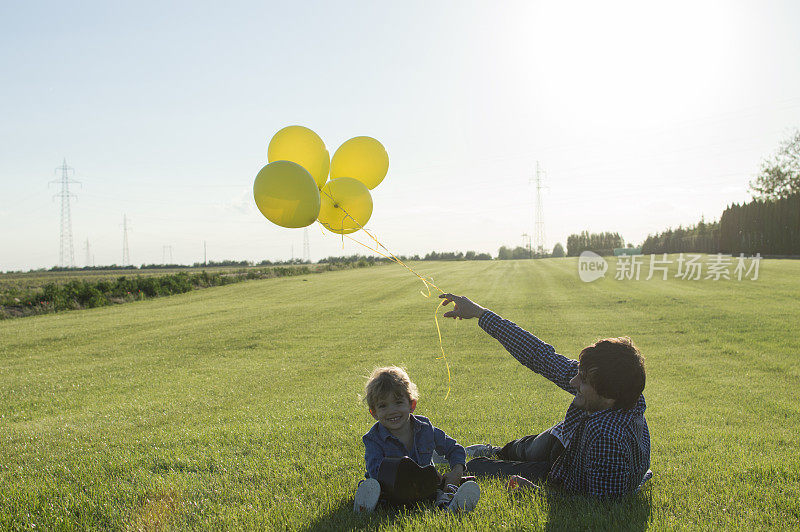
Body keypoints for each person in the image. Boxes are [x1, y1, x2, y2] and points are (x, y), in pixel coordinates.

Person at [439, 293, 651, 498]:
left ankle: (486, 457)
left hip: (564, 467)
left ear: (609, 395)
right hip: (565, 439)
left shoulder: (607, 435)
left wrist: (535, 492)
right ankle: (498, 450)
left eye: (583, 380)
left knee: (479, 467)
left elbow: (600, 504)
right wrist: (479, 312)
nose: (572, 382)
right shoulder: (621, 392)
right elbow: (540, 356)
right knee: (519, 449)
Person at [354, 366, 480, 513]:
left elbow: (454, 449)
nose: (392, 411)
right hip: (390, 489)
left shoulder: (425, 429)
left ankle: (450, 505)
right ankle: (366, 504)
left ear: (411, 405)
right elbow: (376, 471)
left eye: (398, 402)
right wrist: (418, 479)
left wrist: (456, 472)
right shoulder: (374, 439)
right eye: (383, 406)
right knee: (373, 487)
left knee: (437, 492)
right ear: (374, 413)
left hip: (425, 488)